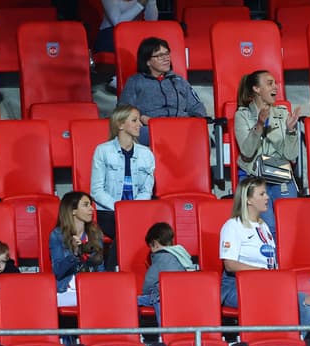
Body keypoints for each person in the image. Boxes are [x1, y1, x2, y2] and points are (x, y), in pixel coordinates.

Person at [218, 177, 310, 326]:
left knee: (307, 304)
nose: (267, 197)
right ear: (248, 200)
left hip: (267, 284)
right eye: (262, 194)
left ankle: (290, 343)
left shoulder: (263, 226)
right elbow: (230, 265)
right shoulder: (233, 226)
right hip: (237, 286)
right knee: (272, 301)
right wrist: (260, 271)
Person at [234, 70, 302, 231]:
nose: (276, 88)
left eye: (275, 83)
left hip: (280, 175)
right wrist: (259, 125)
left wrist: (291, 131)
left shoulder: (282, 113)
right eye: (270, 83)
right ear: (256, 89)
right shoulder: (242, 115)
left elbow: (291, 155)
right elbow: (247, 152)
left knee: (289, 227)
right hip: (254, 178)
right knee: (268, 227)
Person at [117, 37, 208, 145]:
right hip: (151, 127)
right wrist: (140, 118)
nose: (166, 58)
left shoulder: (179, 81)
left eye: (167, 54)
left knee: (200, 134)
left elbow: (197, 106)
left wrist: (194, 122)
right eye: (160, 56)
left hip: (181, 126)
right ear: (148, 62)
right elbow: (123, 108)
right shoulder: (136, 81)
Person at [90, 104, 156, 241]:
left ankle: (116, 263)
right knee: (126, 230)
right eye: (134, 120)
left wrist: (132, 209)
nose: (140, 125)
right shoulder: (102, 151)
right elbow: (96, 190)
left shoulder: (146, 154)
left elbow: (146, 190)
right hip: (109, 211)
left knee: (140, 227)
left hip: (137, 210)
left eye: (139, 120)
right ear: (120, 125)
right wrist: (120, 208)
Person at [49, 191, 108, 307]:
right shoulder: (57, 235)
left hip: (91, 289)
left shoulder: (95, 234)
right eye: (86, 205)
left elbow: (100, 269)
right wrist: (75, 254)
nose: (91, 209)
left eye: (90, 205)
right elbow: (58, 271)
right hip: (67, 290)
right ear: (73, 210)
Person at [138, 222, 195, 314]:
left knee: (131, 302)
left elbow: (150, 281)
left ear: (155, 243)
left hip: (162, 295)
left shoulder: (161, 257)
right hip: (182, 293)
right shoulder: (180, 254)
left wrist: (145, 292)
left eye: (150, 246)